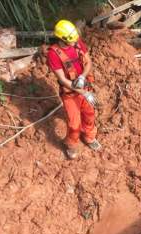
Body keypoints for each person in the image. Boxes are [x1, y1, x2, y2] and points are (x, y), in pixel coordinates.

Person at [47, 20, 101, 160]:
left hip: (84, 86)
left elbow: (88, 62)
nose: (75, 42)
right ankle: (70, 144)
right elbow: (63, 80)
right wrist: (84, 93)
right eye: (71, 40)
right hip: (70, 94)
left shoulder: (77, 42)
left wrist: (82, 77)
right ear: (62, 39)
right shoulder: (54, 54)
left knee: (89, 114)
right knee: (74, 123)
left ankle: (89, 137)